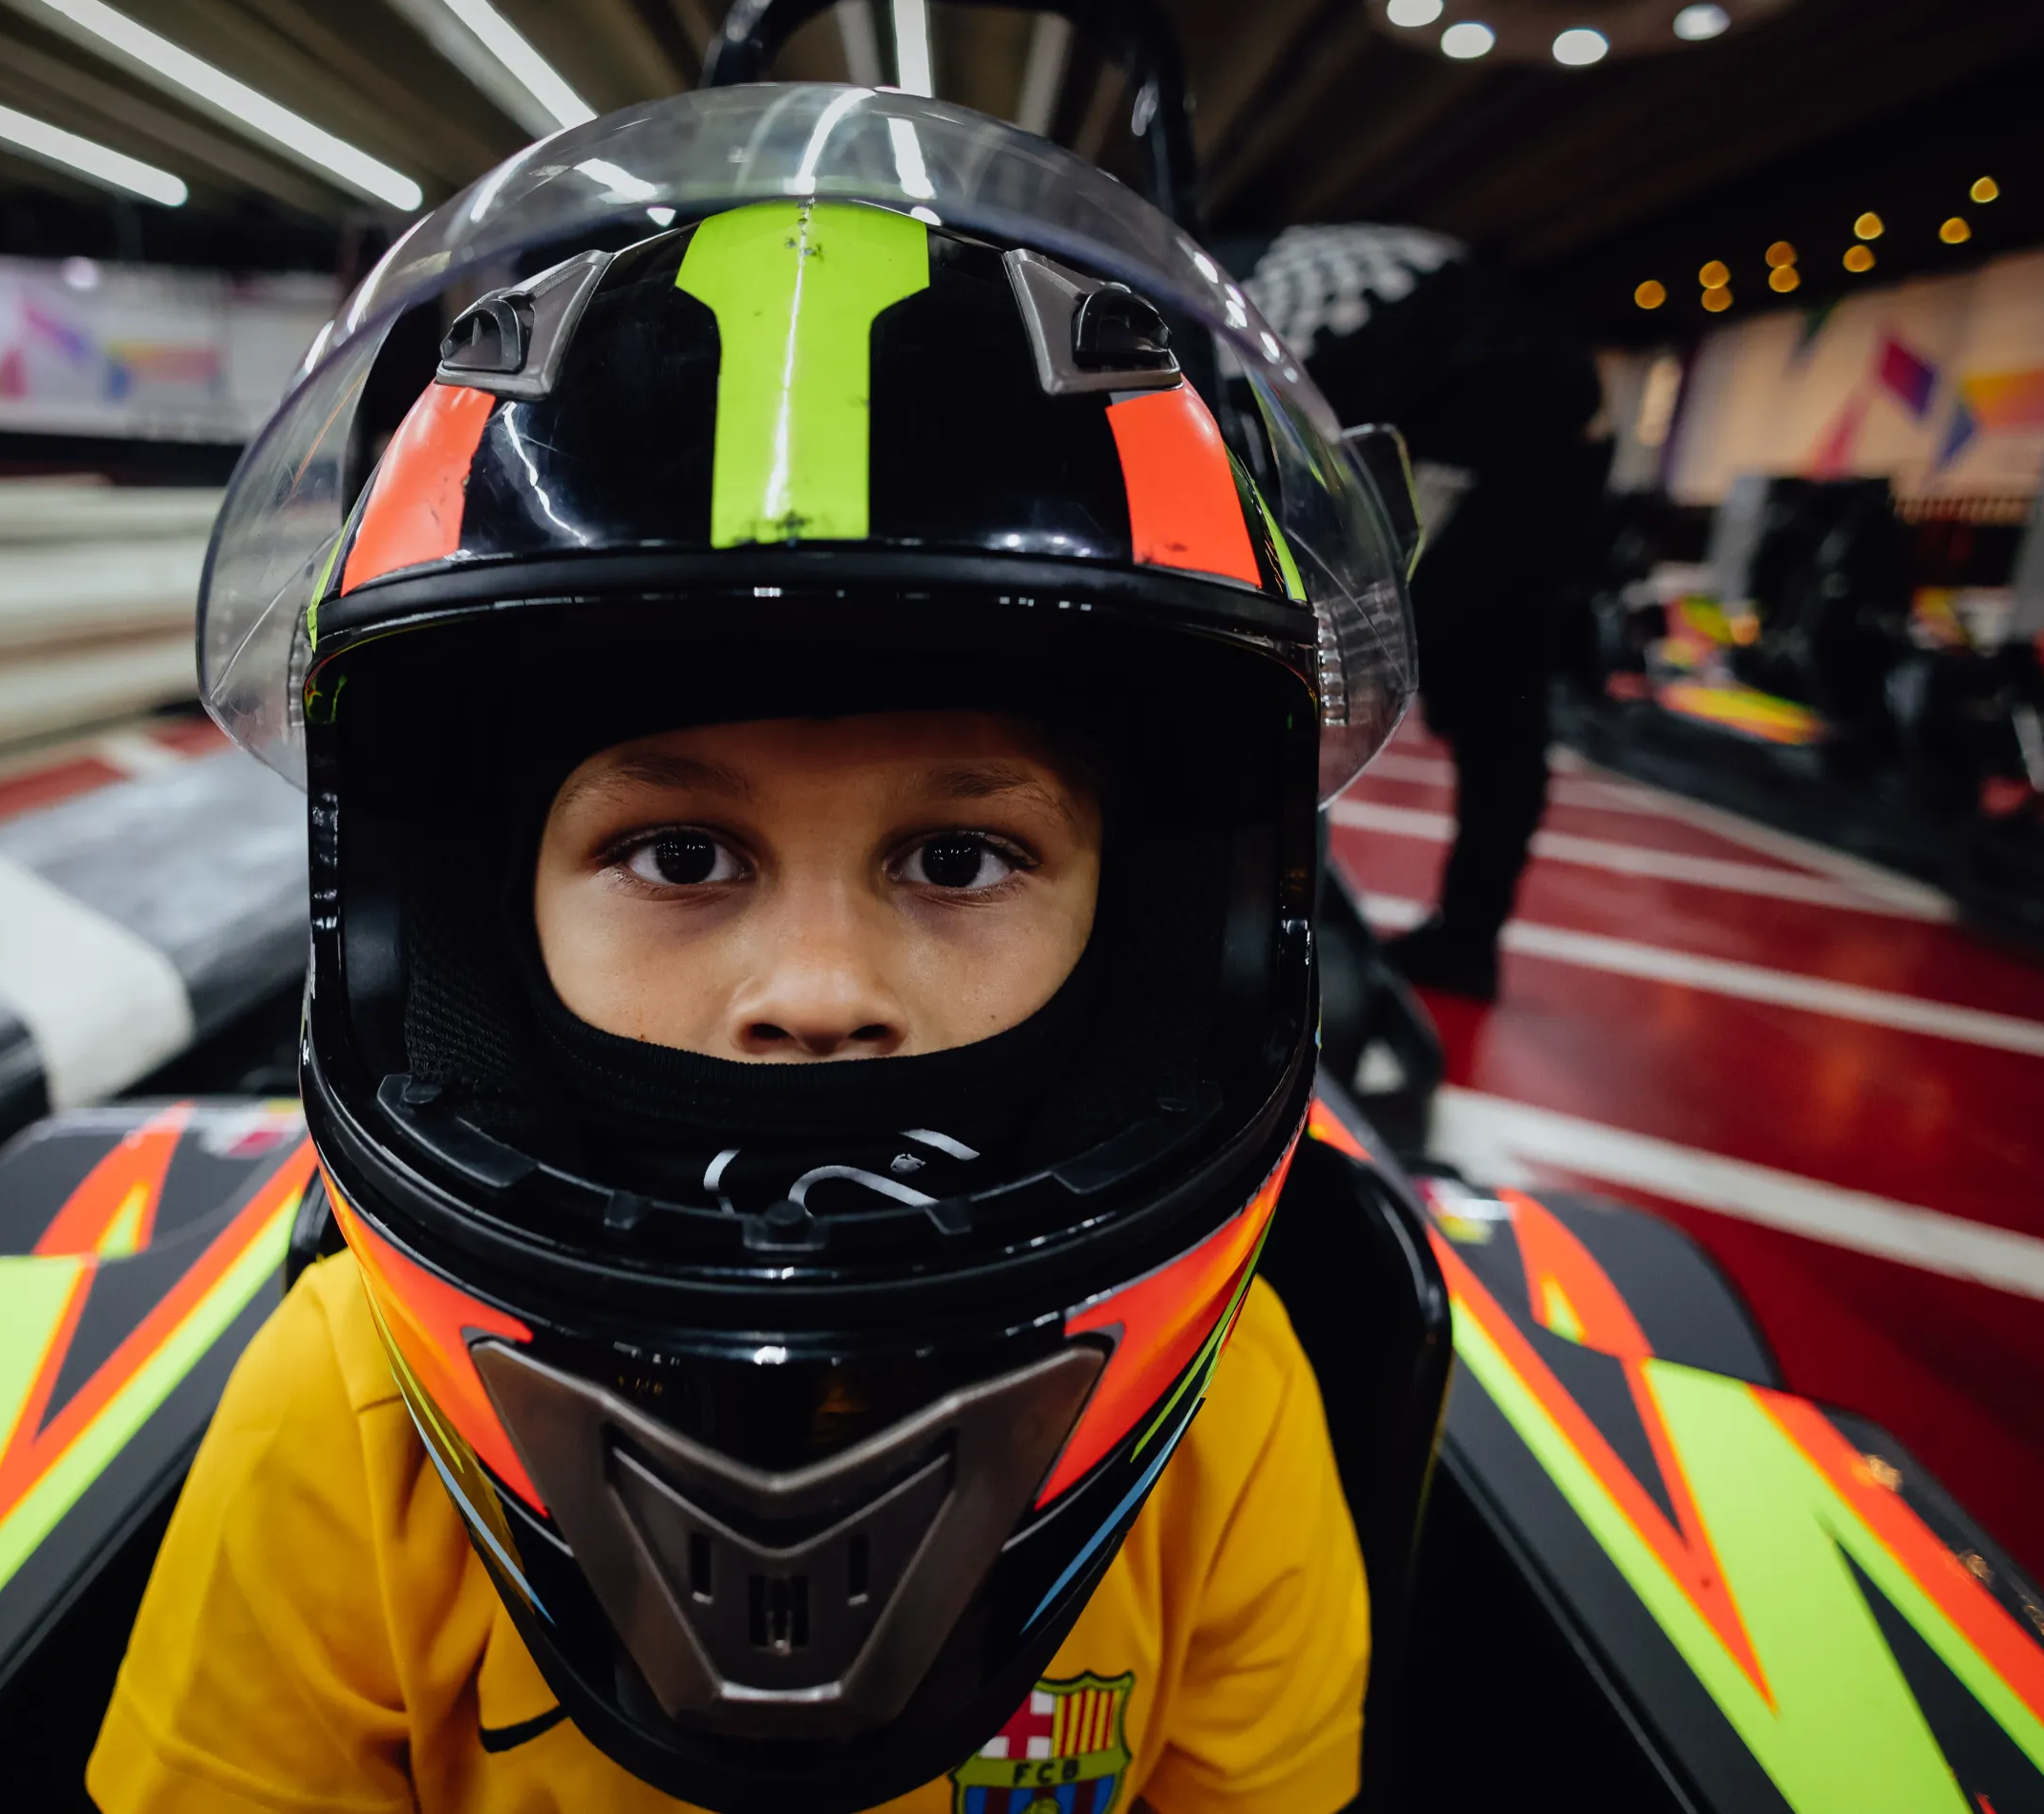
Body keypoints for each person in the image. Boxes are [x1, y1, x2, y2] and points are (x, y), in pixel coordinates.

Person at [89, 90, 1418, 1814]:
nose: (816, 990)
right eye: (681, 852)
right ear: (465, 923)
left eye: (956, 857)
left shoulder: (1233, 1414)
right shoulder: (336, 1408)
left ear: (1183, 931)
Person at [1245, 225, 1606, 999]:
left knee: (1311, 668)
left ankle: (1263, 911)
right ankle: (1468, 937)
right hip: (1542, 434)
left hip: (1473, 432)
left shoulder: (1243, 305)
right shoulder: (1301, 264)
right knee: (1500, 712)